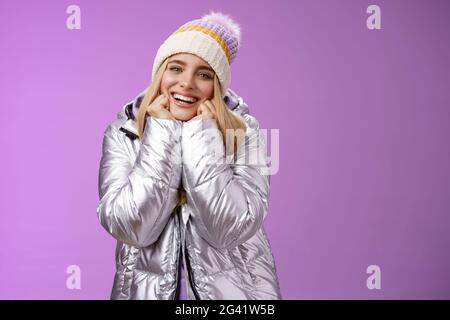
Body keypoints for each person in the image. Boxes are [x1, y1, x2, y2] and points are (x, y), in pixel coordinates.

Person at [96, 11, 282, 300]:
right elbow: (131, 228)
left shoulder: (246, 133)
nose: (187, 83)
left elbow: (228, 228)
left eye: (204, 74)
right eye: (176, 68)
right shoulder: (124, 133)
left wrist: (202, 134)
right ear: (160, 74)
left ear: (218, 85)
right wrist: (162, 131)